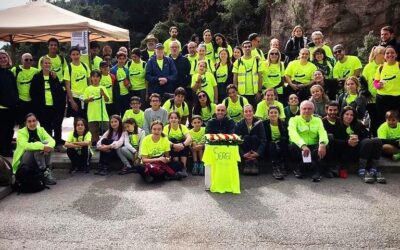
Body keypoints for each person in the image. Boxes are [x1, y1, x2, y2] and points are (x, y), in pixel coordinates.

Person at [334, 106, 385, 183]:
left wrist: (358, 139)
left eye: (352, 115)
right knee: (367, 142)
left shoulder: (358, 124)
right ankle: (362, 170)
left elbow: (368, 135)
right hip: (346, 152)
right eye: (347, 114)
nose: (349, 117)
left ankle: (374, 169)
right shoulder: (337, 124)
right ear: (342, 115)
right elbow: (335, 141)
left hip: (360, 150)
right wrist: (347, 142)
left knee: (376, 140)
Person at [30, 56, 66, 151]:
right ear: (41, 65)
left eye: (49, 63)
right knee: (46, 126)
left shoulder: (54, 76)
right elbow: (33, 93)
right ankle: (49, 144)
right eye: (45, 63)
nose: (47, 65)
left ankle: (58, 144)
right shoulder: (37, 77)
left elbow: (59, 91)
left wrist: (61, 104)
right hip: (43, 107)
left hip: (55, 106)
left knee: (57, 125)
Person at [288, 101, 328, 182]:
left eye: (309, 109)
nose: (307, 111)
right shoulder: (293, 120)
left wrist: (322, 143)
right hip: (299, 147)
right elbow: (292, 133)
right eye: (304, 109)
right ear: (300, 110)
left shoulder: (318, 120)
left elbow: (322, 132)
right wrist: (303, 145)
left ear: (313, 110)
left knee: (326, 143)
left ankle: (301, 167)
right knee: (292, 145)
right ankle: (314, 169)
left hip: (313, 146)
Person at [12, 113, 57, 185]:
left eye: (34, 121)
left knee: (48, 145)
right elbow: (25, 146)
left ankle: (46, 170)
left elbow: (52, 141)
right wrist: (41, 146)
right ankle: (43, 172)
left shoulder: (41, 129)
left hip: (39, 157)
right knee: (38, 148)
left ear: (37, 121)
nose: (32, 123)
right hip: (24, 161)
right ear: (25, 123)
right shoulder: (21, 132)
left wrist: (47, 147)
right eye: (29, 121)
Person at [235, 104, 266, 175]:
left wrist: (258, 152)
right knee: (246, 137)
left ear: (253, 112)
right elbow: (236, 141)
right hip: (245, 151)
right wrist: (243, 154)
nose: (248, 113)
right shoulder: (239, 124)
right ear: (243, 113)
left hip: (256, 149)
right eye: (246, 111)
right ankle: (247, 162)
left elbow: (263, 140)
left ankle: (254, 161)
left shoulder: (259, 123)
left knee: (254, 137)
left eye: (250, 111)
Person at [361, 46, 385, 136]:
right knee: (373, 120)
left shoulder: (386, 66)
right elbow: (363, 82)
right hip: (371, 99)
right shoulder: (368, 66)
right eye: (382, 53)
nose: (384, 56)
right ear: (376, 55)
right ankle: (373, 137)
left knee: (382, 120)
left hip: (383, 98)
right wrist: (366, 93)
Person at [374, 46, 400, 125]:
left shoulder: (399, 66)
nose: (390, 55)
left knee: (397, 121)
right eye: (387, 53)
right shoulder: (381, 67)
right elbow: (375, 82)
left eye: (392, 53)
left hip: (397, 98)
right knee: (382, 121)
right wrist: (378, 85)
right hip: (382, 99)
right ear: (384, 56)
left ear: (396, 55)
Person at [232, 40, 263, 107]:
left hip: (254, 93)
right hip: (241, 93)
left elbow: (260, 77)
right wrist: (236, 92)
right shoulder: (237, 62)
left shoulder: (257, 60)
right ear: (242, 48)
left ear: (251, 48)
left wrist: (259, 91)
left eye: (249, 46)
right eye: (245, 47)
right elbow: (235, 78)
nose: (247, 48)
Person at [0, 50, 19, 157]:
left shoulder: (10, 73)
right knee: (2, 130)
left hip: (11, 108)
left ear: (8, 59)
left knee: (9, 130)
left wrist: (15, 103)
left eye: (4, 57)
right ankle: (2, 150)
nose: (3, 60)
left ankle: (7, 149)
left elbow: (14, 90)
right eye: (0, 58)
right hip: (1, 108)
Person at [12, 53, 38, 126]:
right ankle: (23, 137)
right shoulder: (15, 70)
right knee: (22, 123)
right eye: (26, 59)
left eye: (30, 60)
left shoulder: (36, 71)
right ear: (21, 60)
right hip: (20, 101)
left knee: (32, 123)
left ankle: (32, 137)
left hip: (32, 101)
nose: (28, 61)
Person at [84, 70, 110, 144]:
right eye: (93, 76)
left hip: (102, 113)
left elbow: (107, 100)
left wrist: (103, 94)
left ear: (100, 78)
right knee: (93, 131)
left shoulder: (103, 88)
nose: (95, 78)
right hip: (92, 113)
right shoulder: (88, 88)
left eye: (97, 77)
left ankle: (104, 143)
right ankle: (95, 144)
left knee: (106, 129)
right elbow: (84, 100)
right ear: (91, 78)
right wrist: (89, 99)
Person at [64, 46, 90, 120]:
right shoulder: (68, 68)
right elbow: (67, 86)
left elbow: (89, 82)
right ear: (70, 56)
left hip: (85, 97)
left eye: (77, 54)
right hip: (75, 98)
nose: (76, 56)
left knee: (86, 120)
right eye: (73, 54)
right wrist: (72, 101)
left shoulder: (85, 66)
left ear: (80, 55)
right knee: (77, 121)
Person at [264, 106, 289, 179]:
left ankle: (283, 165)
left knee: (283, 140)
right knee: (272, 144)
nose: (273, 114)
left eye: (275, 112)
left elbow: (287, 138)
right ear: (268, 114)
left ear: (279, 114)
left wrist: (278, 142)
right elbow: (264, 139)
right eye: (271, 113)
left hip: (280, 145)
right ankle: (275, 167)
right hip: (269, 147)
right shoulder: (264, 124)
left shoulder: (284, 124)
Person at [322, 101, 341, 177]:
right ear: (326, 110)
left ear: (338, 110)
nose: (332, 112)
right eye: (330, 110)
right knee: (330, 137)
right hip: (327, 146)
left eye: (335, 110)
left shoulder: (341, 121)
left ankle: (336, 167)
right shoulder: (322, 122)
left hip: (338, 146)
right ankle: (328, 168)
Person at [110, 51, 131, 115]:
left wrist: (128, 85)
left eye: (123, 59)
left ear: (125, 59)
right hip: (117, 94)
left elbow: (129, 81)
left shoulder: (126, 70)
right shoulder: (113, 70)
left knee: (125, 112)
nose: (121, 61)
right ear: (117, 59)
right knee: (117, 112)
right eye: (120, 59)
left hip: (126, 93)